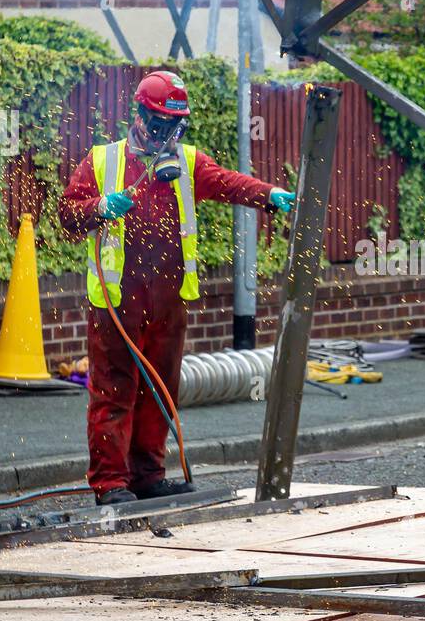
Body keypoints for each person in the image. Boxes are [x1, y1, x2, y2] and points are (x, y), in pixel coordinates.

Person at [60, 70, 295, 505]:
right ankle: (110, 481)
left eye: (174, 126)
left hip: (168, 301)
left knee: (160, 390)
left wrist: (268, 193)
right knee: (114, 391)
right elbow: (68, 216)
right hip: (117, 303)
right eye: (159, 125)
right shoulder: (101, 161)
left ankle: (147, 475)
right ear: (140, 116)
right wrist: (100, 206)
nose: (165, 134)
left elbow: (229, 183)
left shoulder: (186, 163)